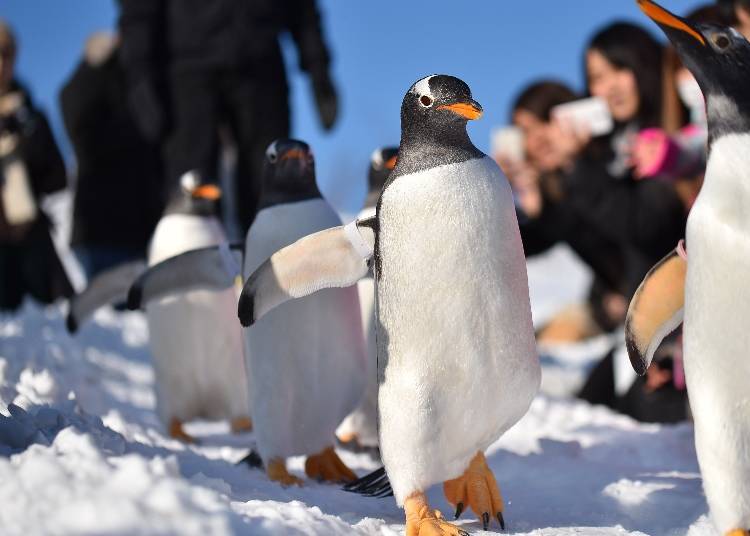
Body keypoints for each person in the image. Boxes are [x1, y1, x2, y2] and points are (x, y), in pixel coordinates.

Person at [118, 0, 338, 234]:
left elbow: (301, 7)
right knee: (192, 183)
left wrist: (318, 66)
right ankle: (194, 262)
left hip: (260, 59)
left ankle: (269, 261)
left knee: (270, 177)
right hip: (187, 68)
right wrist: (139, 74)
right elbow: (138, 9)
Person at [500, 81, 627, 343]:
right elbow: (526, 245)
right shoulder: (555, 187)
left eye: (544, 122)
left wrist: (574, 163)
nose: (535, 140)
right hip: (613, 305)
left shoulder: (613, 158)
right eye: (524, 131)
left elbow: (619, 229)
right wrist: (503, 195)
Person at [61, 31, 164, 279]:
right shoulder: (96, 78)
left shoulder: (146, 86)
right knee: (109, 315)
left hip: (140, 232)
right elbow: (73, 110)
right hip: (100, 231)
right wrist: (95, 61)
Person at [0, 19, 72, 312]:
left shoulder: (30, 115)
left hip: (30, 241)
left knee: (47, 325)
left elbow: (57, 178)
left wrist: (28, 145)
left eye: (6, 54)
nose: (1, 63)